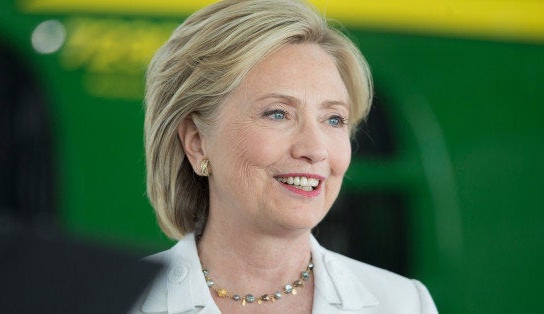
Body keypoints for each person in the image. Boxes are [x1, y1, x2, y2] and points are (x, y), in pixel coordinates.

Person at [131, 0, 438, 313]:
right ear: (197, 143)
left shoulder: (404, 303)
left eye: (333, 119)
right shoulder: (112, 302)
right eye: (278, 114)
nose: (315, 150)